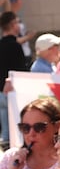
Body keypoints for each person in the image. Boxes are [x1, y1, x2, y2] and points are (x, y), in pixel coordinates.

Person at [0, 11, 26, 145]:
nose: (19, 26)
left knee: (5, 133)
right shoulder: (15, 46)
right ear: (12, 24)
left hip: (0, 92)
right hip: (13, 92)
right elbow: (21, 70)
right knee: (16, 130)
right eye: (17, 22)